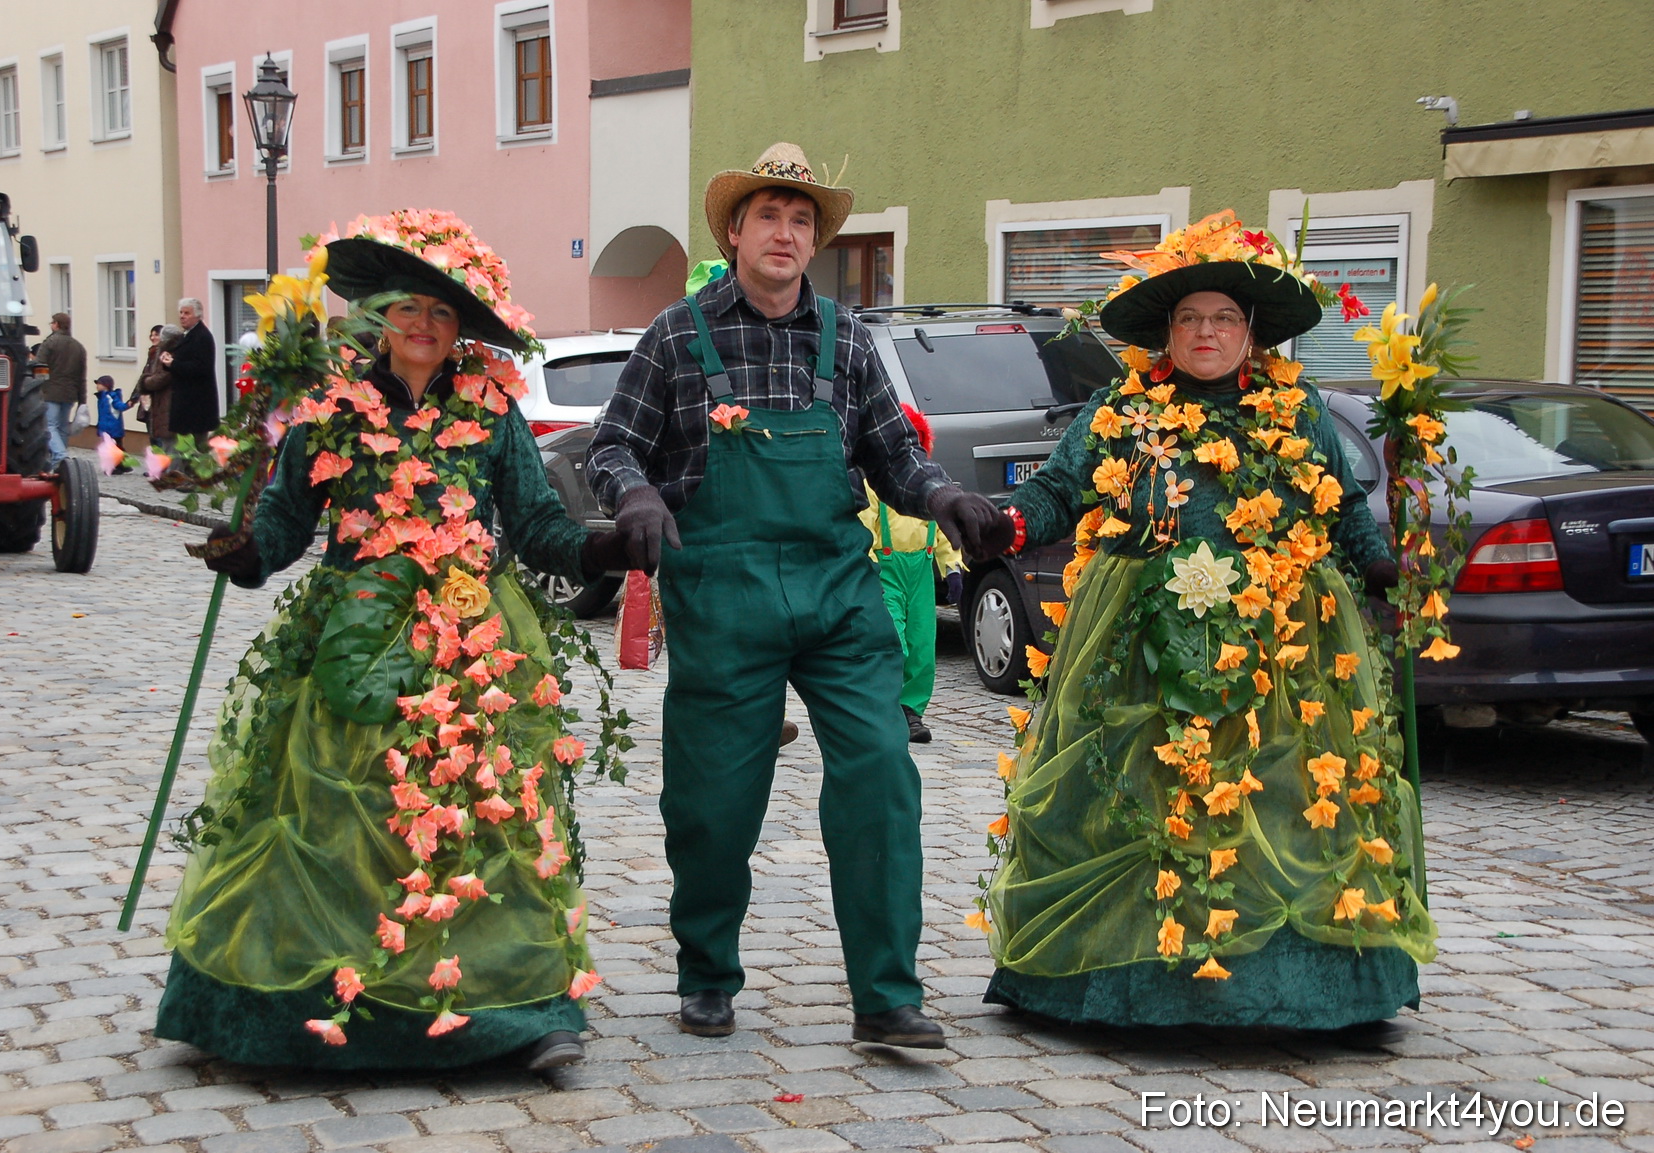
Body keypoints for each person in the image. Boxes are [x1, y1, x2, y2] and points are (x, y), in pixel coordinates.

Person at [153, 210, 635, 1072]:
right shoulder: (330, 411)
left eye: (443, 315)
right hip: (350, 639)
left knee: (486, 822)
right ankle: (301, 1007)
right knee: (334, 821)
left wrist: (602, 544)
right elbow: (283, 522)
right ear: (379, 317)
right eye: (409, 309)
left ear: (459, 335)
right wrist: (245, 554)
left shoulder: (490, 414)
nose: (424, 327)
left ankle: (519, 1012)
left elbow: (535, 527)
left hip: (469, 645)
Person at [588, 142, 1012, 1048]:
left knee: (880, 775)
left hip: (837, 596)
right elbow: (613, 443)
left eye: (802, 219)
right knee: (711, 800)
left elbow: (895, 455)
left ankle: (887, 997)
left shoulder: (846, 340)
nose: (786, 232)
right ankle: (706, 973)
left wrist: (943, 497)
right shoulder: (676, 333)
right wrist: (636, 494)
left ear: (814, 239)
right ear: (735, 231)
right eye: (769, 216)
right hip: (723, 594)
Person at [978, 211, 1435, 1029]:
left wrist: (1381, 562)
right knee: (1139, 797)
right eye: (1190, 318)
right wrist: (1008, 523)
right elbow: (1059, 489)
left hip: (1283, 642)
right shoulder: (1126, 406)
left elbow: (1345, 513)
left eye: (1224, 317)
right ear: (1168, 331)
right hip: (1142, 639)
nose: (1206, 332)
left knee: (1288, 800)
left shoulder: (1295, 414)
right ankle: (1132, 980)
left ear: (1250, 331)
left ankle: (1301, 987)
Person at [858, 405, 962, 743]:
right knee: (894, 639)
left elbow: (947, 529)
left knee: (922, 644)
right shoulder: (876, 485)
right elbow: (864, 524)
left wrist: (952, 565)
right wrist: (868, 562)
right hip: (887, 567)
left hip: (921, 569)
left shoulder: (934, 485)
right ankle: (885, 705)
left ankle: (911, 710)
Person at [34, 312, 86, 469]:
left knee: (49, 425)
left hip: (50, 391)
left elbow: (39, 368)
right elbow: (81, 375)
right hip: (70, 393)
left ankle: (59, 455)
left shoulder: (50, 343)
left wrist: (37, 389)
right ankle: (61, 465)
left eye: (52, 323)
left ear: (56, 324)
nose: (51, 325)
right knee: (63, 427)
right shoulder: (78, 346)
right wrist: (82, 399)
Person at [165, 297, 219, 440]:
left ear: (197, 315)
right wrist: (168, 361)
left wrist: (173, 364)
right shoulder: (187, 335)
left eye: (187, 313)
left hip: (196, 405)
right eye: (181, 312)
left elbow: (201, 367)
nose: (182, 316)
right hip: (186, 403)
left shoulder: (202, 336)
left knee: (195, 451)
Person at [131, 324, 181, 448]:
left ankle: (162, 466)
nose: (153, 338)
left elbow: (161, 377)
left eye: (156, 335)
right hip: (153, 403)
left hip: (163, 403)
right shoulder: (153, 353)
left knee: (166, 444)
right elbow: (146, 373)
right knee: (156, 438)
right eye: (151, 335)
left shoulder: (166, 353)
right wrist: (135, 395)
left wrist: (145, 383)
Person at [92, 375, 133, 473]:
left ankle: (115, 467)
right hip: (107, 428)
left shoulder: (111, 396)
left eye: (99, 383)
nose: (97, 386)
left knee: (113, 449)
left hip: (112, 429)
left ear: (106, 385)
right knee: (116, 448)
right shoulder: (102, 397)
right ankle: (123, 465)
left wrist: (128, 404)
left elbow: (119, 406)